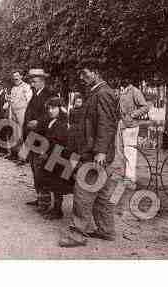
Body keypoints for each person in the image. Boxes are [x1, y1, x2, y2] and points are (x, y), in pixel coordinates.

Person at [59, 67, 119, 248]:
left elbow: (106, 124)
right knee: (102, 194)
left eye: (85, 73)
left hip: (95, 155)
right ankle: (106, 230)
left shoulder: (102, 93)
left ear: (96, 72)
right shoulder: (97, 92)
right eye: (80, 74)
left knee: (83, 193)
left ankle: (77, 235)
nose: (82, 78)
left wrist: (100, 151)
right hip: (97, 153)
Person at [34, 97, 73, 220]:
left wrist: (47, 153)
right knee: (53, 182)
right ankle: (55, 208)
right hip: (53, 155)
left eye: (54, 108)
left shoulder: (61, 123)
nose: (50, 111)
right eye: (49, 108)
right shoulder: (52, 121)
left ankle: (57, 210)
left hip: (59, 156)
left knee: (57, 183)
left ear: (60, 109)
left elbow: (57, 142)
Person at [23, 68, 56, 210]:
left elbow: (53, 114)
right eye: (31, 80)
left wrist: (38, 122)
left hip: (43, 138)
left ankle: (45, 202)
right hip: (32, 138)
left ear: (42, 81)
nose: (31, 83)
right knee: (35, 169)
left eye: (34, 80)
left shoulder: (49, 95)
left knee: (41, 170)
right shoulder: (35, 94)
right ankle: (40, 198)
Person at [118, 78, 149, 186]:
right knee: (121, 152)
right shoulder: (120, 90)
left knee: (130, 152)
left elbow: (145, 107)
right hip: (121, 125)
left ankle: (130, 178)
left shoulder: (134, 91)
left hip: (131, 126)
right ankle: (124, 175)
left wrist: (132, 115)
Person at [7, 70, 33, 161]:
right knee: (14, 133)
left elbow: (29, 99)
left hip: (22, 112)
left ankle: (23, 157)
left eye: (17, 76)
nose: (15, 78)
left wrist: (27, 112)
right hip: (13, 111)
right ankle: (14, 153)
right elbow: (11, 101)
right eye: (14, 76)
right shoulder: (13, 88)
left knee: (22, 133)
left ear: (21, 76)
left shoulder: (26, 86)